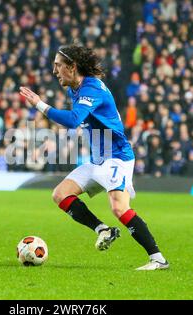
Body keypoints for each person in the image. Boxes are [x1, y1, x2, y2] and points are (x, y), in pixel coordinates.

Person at [19, 44, 169, 270]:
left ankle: (158, 259)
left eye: (58, 65)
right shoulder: (74, 89)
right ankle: (103, 230)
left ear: (72, 67)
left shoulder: (92, 89)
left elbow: (73, 120)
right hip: (98, 160)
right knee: (60, 194)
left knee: (119, 208)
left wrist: (39, 104)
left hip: (117, 157)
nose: (55, 70)